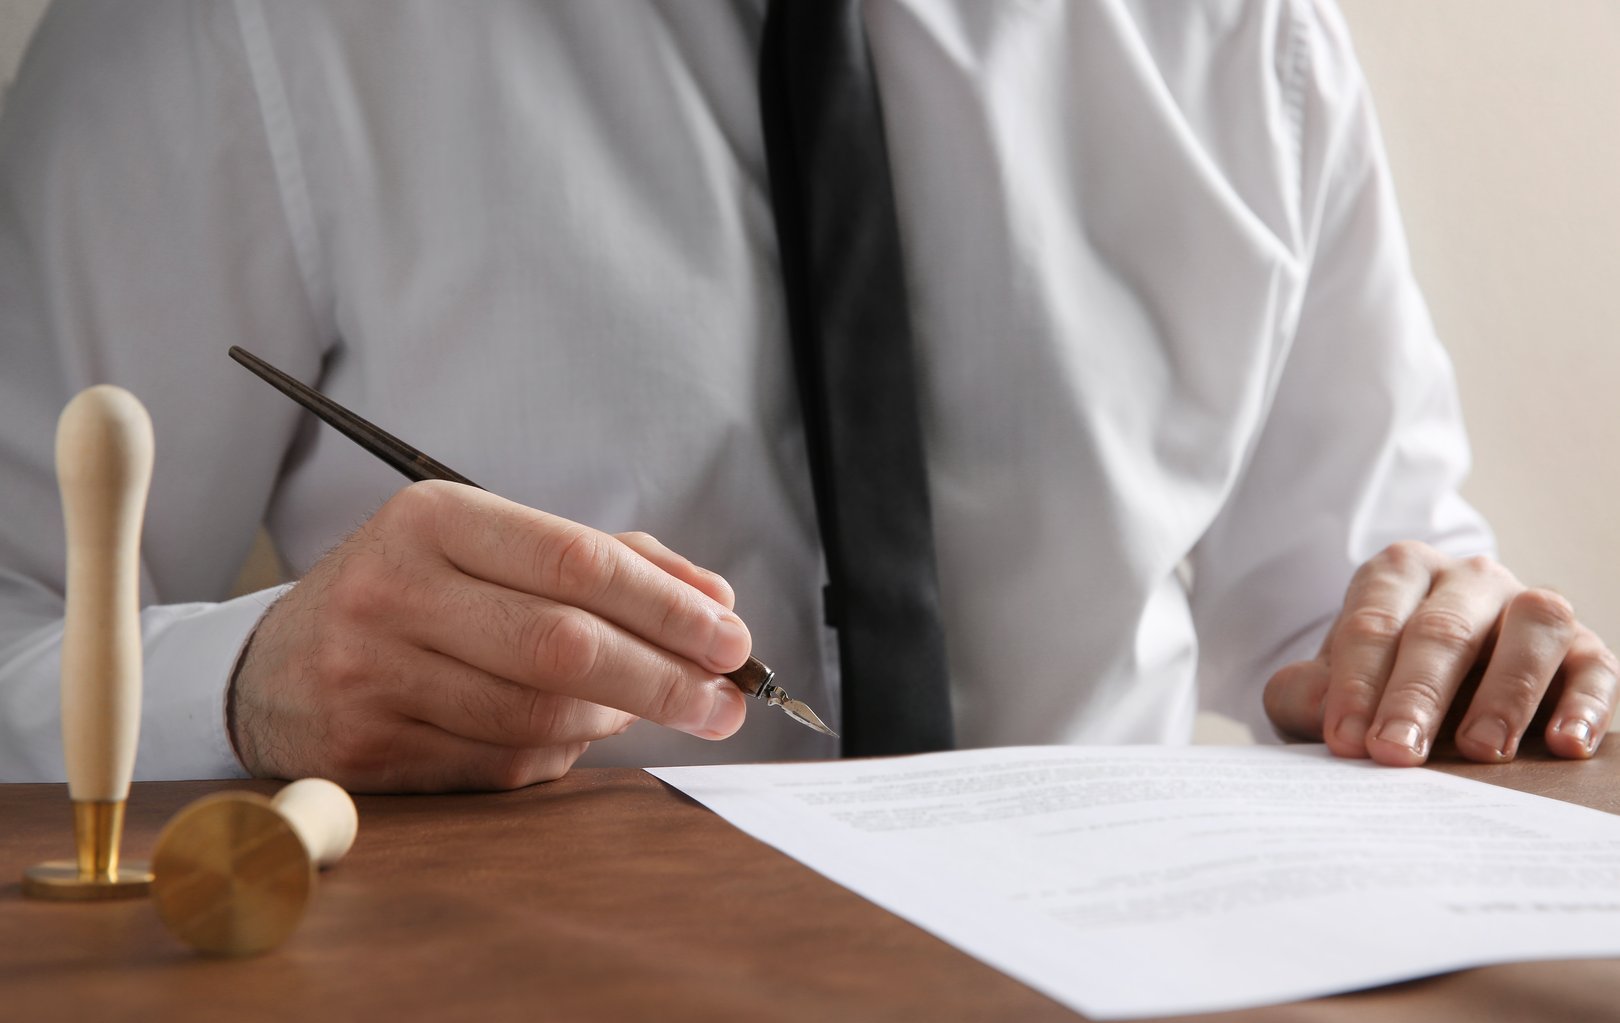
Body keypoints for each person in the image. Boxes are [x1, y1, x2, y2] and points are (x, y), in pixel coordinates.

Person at [0, 0, 1611, 792]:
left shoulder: (1239, 30)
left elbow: (1344, 594)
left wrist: (1431, 628)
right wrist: (249, 686)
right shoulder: (235, 25)